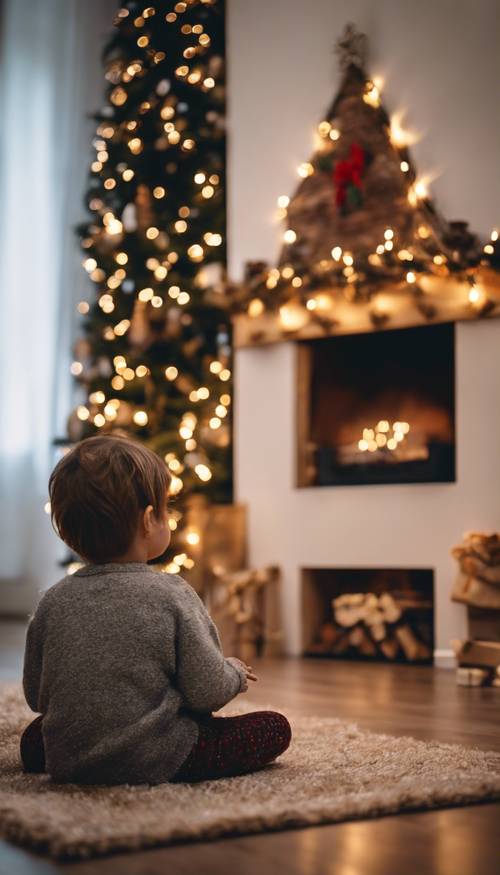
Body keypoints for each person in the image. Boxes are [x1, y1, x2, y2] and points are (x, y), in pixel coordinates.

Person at [20, 434, 291, 784]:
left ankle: (86, 752)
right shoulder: (172, 592)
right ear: (149, 520)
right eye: (167, 509)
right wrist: (234, 674)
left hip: (69, 760)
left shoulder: (51, 601)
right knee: (273, 727)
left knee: (35, 737)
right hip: (156, 756)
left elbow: (36, 695)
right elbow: (205, 691)